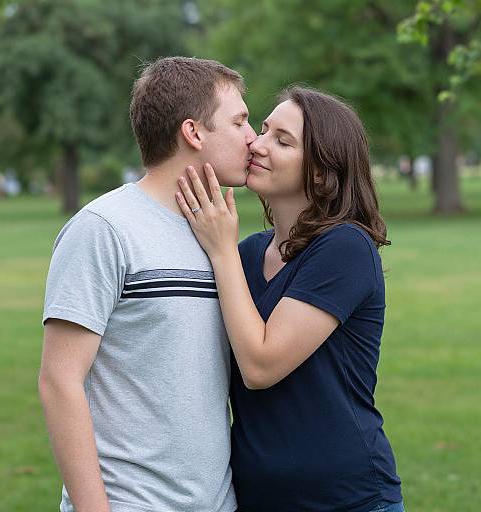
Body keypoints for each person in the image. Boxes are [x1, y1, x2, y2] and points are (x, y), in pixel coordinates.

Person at [38, 56, 256, 512]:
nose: (253, 138)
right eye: (239, 122)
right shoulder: (104, 228)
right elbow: (60, 380)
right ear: (194, 133)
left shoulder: (217, 235)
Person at [175, 86, 404, 512]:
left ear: (320, 172)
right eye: (262, 130)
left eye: (282, 141)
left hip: (346, 500)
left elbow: (261, 365)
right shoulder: (245, 255)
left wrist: (220, 250)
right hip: (257, 499)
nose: (256, 145)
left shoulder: (345, 248)